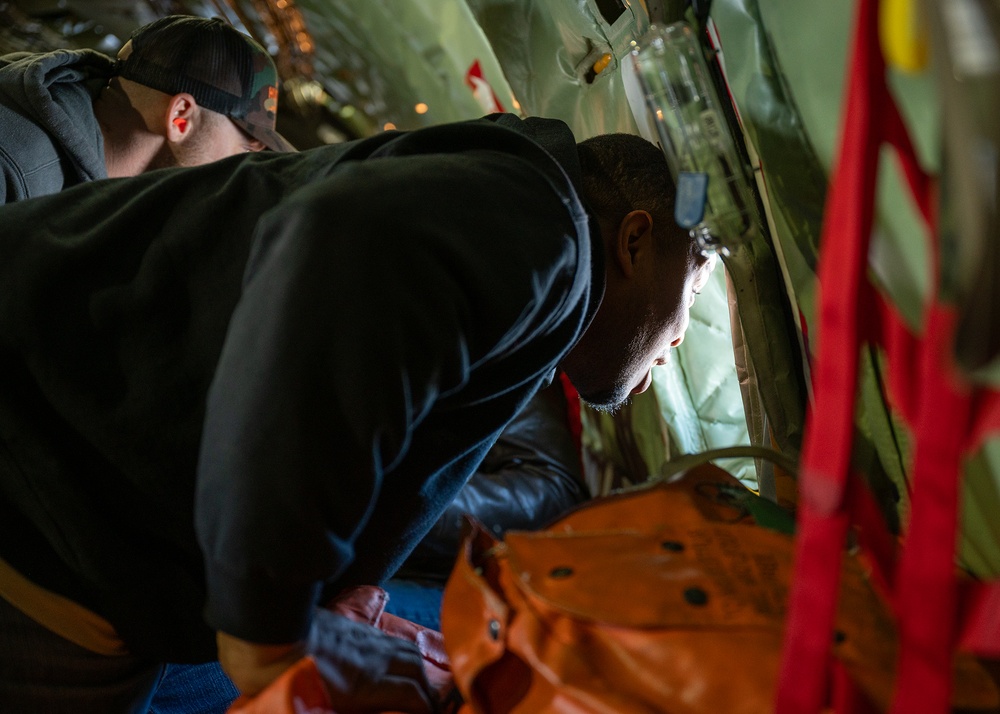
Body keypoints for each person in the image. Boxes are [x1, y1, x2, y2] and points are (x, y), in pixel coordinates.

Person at [0, 112, 714, 713]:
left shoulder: (512, 218)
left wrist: (321, 597)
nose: (674, 346)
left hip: (88, 540)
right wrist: (275, 639)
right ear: (634, 239)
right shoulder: (548, 227)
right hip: (42, 506)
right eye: (684, 316)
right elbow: (337, 238)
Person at [0, 14, 294, 204]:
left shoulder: (90, 189)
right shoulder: (17, 172)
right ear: (180, 118)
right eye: (244, 150)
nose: (239, 170)